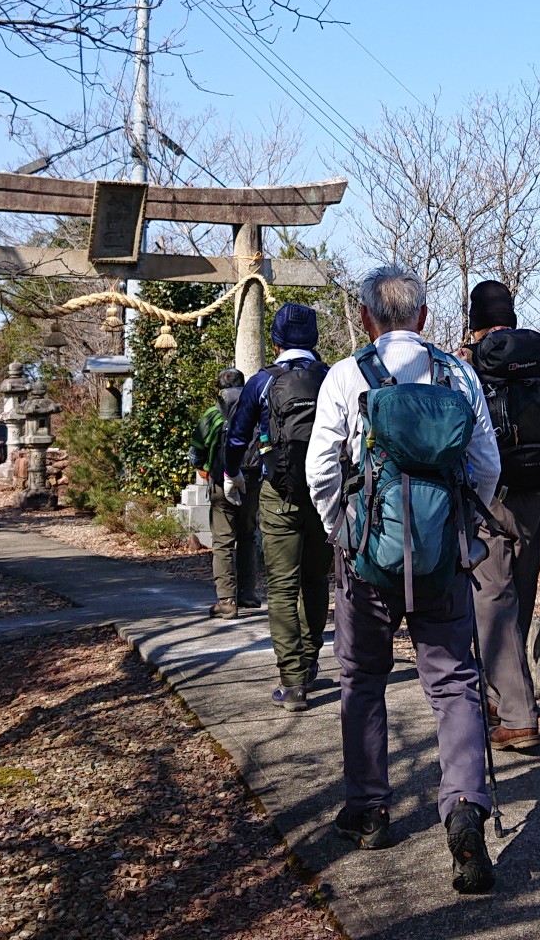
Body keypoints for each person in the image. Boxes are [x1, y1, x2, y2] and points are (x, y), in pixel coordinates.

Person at [307, 264, 500, 894]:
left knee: (363, 678)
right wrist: (461, 529)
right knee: (454, 682)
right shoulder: (458, 375)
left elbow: (320, 471)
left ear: (367, 317)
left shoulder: (346, 375)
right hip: (442, 557)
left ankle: (369, 812)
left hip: (368, 560)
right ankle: (465, 808)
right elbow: (486, 465)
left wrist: (343, 532)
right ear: (422, 316)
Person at [459, 280, 540, 751]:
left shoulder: (466, 363)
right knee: (519, 597)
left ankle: (518, 716)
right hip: (535, 494)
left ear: (475, 322)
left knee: (491, 601)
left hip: (487, 497)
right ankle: (499, 698)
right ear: (510, 318)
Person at [224, 303, 331, 707]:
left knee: (283, 586)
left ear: (275, 341)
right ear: (314, 339)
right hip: (325, 495)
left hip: (278, 492)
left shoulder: (262, 381)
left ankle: (292, 682)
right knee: (316, 580)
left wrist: (231, 474)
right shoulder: (331, 376)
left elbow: (237, 436)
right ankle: (310, 660)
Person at [196, 367, 255, 618]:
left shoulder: (212, 414)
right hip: (252, 481)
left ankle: (227, 601)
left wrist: (205, 469)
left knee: (223, 542)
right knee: (248, 537)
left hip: (221, 481)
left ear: (219, 388)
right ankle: (248, 593)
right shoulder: (255, 409)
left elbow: (196, 452)